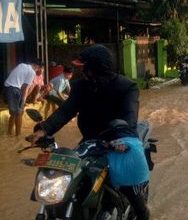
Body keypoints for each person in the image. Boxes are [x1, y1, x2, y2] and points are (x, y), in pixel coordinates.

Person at [27, 45, 150, 219]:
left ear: (93, 69)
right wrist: (43, 129)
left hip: (119, 142)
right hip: (90, 143)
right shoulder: (80, 87)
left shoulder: (126, 87)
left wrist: (121, 139)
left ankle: (143, 213)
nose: (81, 71)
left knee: (130, 190)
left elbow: (129, 118)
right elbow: (65, 111)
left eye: (84, 67)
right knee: (72, 179)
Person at [3, 59, 44, 136]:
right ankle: (18, 136)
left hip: (7, 88)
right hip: (14, 90)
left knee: (13, 114)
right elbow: (25, 89)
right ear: (38, 67)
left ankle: (9, 132)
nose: (39, 71)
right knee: (19, 113)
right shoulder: (32, 72)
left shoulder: (21, 65)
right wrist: (23, 100)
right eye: (40, 69)